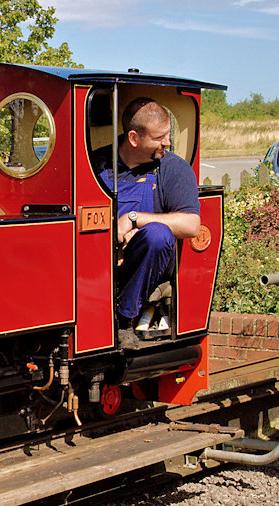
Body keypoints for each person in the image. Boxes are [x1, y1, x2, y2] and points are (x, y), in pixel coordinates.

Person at [94, 98, 201, 349]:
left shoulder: (173, 169)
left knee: (156, 235)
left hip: (151, 263)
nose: (167, 142)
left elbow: (191, 225)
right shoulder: (96, 165)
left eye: (168, 135)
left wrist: (134, 220)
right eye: (159, 137)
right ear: (134, 138)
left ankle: (124, 320)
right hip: (102, 257)